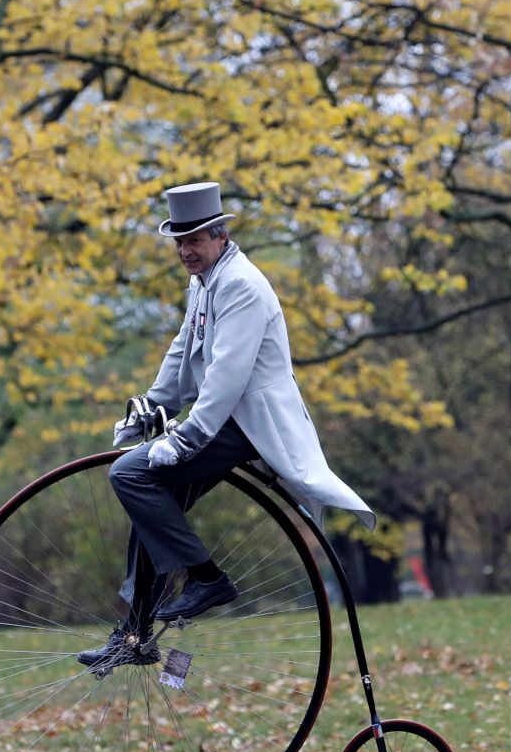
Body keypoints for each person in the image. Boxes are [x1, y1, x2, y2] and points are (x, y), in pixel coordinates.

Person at [78, 182, 376, 668]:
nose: (185, 250)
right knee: (151, 505)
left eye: (194, 240)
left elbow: (227, 377)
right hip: (225, 417)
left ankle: (207, 579)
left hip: (248, 424)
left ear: (221, 237)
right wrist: (151, 405)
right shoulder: (205, 281)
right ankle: (134, 635)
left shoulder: (241, 285)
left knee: (129, 475)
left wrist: (187, 437)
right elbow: (183, 352)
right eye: (179, 241)